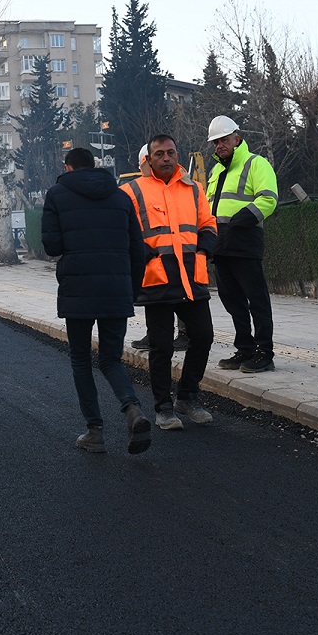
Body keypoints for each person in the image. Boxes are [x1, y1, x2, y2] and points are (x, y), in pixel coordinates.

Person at [42, 146, 153, 455]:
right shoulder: (121, 196)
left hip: (78, 289)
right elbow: (138, 250)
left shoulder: (57, 194)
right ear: (94, 165)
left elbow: (51, 245)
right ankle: (133, 410)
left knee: (80, 359)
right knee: (110, 359)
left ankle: (95, 432)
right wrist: (130, 290)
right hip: (116, 288)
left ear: (68, 167)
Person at [121, 134, 217, 429]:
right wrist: (141, 253)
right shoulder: (132, 191)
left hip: (190, 277)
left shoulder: (193, 188)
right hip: (157, 279)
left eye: (171, 152)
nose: (166, 158)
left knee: (203, 336)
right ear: (148, 159)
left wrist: (204, 250)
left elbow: (208, 223)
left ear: (177, 155)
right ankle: (163, 407)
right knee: (161, 346)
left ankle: (187, 397)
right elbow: (121, 230)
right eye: (159, 153)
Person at [205, 116, 279, 373]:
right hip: (220, 245)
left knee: (257, 300)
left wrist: (240, 220)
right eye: (216, 142)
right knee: (232, 301)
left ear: (237, 139)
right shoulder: (216, 171)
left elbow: (268, 199)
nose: (219, 146)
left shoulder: (256, 163)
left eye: (224, 140)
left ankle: (264, 352)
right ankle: (245, 348)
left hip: (245, 241)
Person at [126, 143, 189, 353]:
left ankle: (184, 334)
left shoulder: (182, 186)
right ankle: (156, 334)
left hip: (179, 257)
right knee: (158, 305)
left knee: (181, 297)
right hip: (156, 261)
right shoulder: (139, 189)